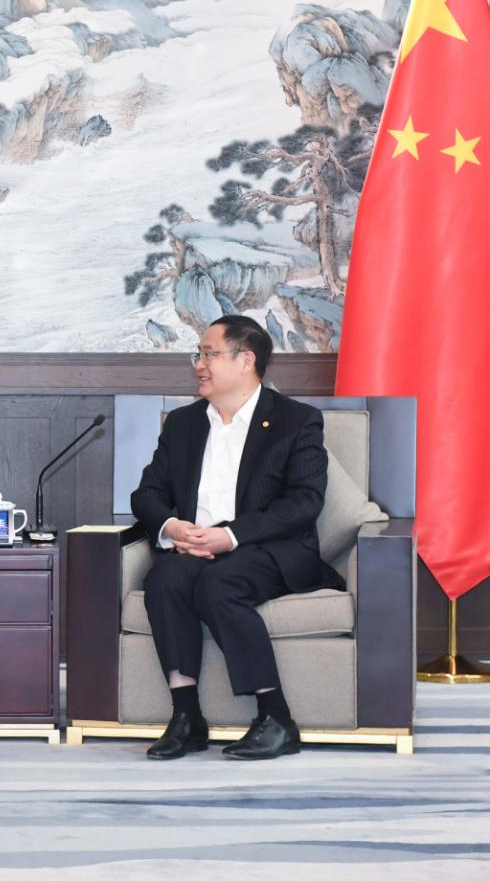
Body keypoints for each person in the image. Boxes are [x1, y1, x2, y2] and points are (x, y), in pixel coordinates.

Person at [130, 315, 340, 760]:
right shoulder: (184, 424)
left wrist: (230, 536)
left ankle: (276, 718)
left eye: (209, 354)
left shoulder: (296, 420)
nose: (199, 365)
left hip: (268, 549)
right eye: (199, 355)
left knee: (218, 583)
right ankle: (187, 717)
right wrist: (172, 527)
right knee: (165, 578)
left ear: (246, 360)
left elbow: (304, 502)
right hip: (194, 547)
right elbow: (147, 494)